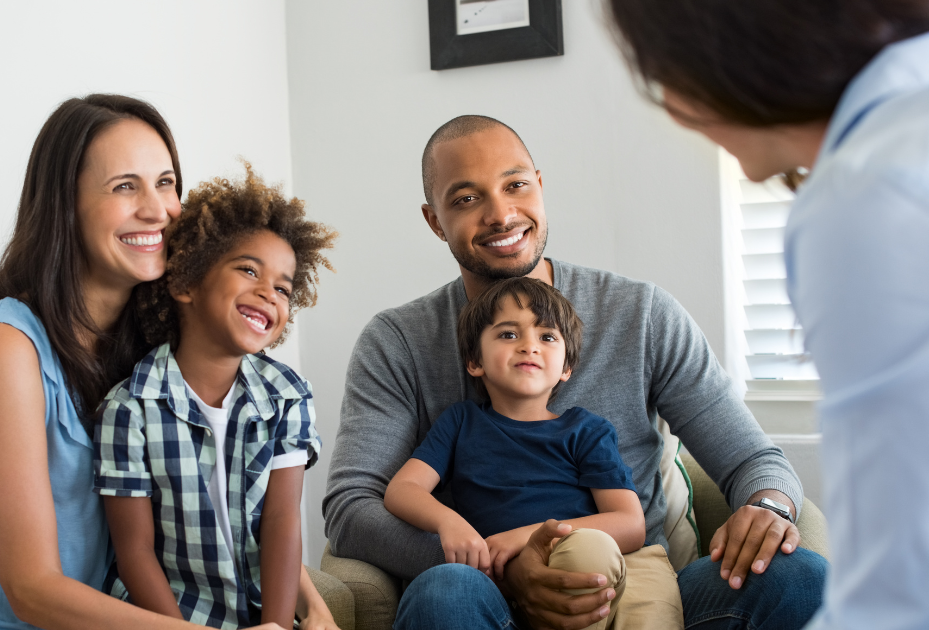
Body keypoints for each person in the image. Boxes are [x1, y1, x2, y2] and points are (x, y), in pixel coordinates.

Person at [323, 114, 828, 630]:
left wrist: (771, 508)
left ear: (539, 187)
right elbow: (350, 507)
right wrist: (503, 567)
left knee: (800, 577)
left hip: (629, 584)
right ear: (436, 222)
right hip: (481, 595)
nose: (501, 214)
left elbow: (752, 458)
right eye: (467, 199)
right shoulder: (398, 342)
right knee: (445, 593)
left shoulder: (640, 314)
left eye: (515, 185)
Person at [0, 95, 336, 630]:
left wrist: (311, 607)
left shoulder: (156, 344)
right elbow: (32, 591)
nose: (157, 209)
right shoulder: (6, 347)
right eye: (125, 186)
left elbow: (223, 510)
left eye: (166, 183)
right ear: (64, 205)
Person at [603, 2, 929, 628]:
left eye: (663, 73)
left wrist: (771, 500)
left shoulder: (863, 197)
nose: (672, 108)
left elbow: (898, 586)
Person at [94, 165, 337, 629]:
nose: (269, 292)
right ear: (186, 282)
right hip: (167, 618)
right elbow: (134, 552)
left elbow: (282, 524)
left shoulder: (288, 396)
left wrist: (279, 626)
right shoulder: (128, 410)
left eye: (284, 288)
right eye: (249, 269)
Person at [384, 277, 682, 630]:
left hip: (577, 563)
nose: (529, 346)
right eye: (509, 334)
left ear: (566, 368)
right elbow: (402, 490)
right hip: (497, 593)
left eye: (547, 337)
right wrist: (449, 523)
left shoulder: (586, 430)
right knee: (444, 586)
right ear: (475, 361)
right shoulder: (460, 422)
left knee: (590, 550)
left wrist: (521, 536)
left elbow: (629, 523)